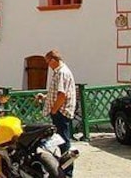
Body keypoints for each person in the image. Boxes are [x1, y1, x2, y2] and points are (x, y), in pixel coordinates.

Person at [39, 49, 76, 177]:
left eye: (48, 61)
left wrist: (54, 110)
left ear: (54, 60)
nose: (48, 65)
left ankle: (67, 173)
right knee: (60, 142)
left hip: (61, 112)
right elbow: (56, 93)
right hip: (60, 111)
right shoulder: (60, 72)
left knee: (64, 143)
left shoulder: (61, 73)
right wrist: (45, 97)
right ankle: (60, 170)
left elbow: (62, 95)